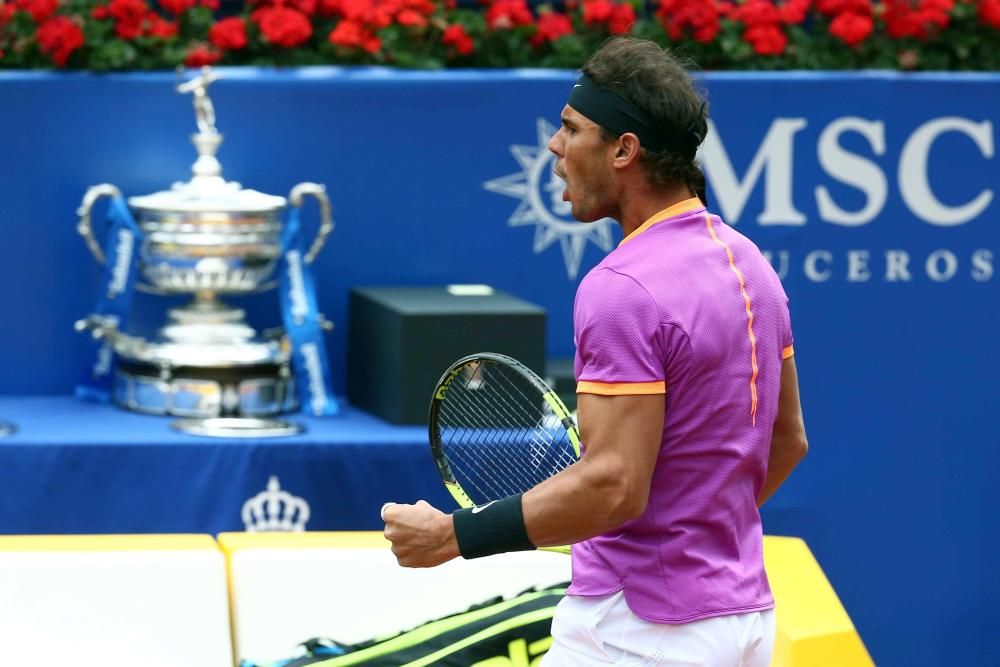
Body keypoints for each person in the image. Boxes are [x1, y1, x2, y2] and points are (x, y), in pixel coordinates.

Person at [381, 37, 808, 666]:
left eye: (571, 128)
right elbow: (786, 441)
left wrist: (454, 536)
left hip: (640, 632)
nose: (555, 148)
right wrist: (691, 530)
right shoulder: (750, 266)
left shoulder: (621, 287)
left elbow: (613, 485)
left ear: (624, 150)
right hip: (741, 620)